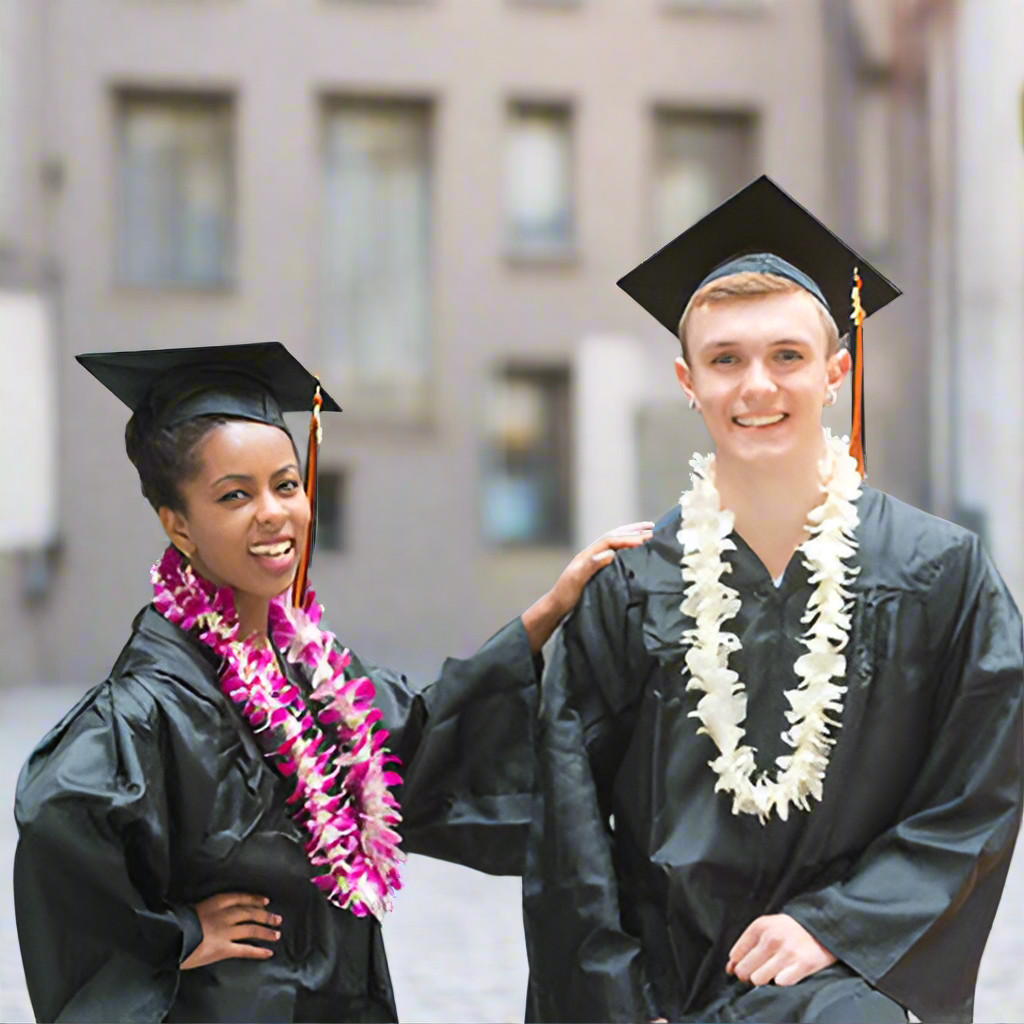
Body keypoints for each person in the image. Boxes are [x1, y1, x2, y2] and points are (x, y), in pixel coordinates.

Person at [13, 341, 653, 1024]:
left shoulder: (314, 670)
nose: (273, 513)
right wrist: (178, 934)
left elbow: (423, 733)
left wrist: (549, 610)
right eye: (235, 495)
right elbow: (63, 832)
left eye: (286, 485)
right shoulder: (149, 706)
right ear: (179, 526)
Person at [522, 176, 1024, 1024]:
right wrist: (612, 1000)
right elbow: (568, 829)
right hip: (660, 989)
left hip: (837, 987)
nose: (757, 385)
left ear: (836, 372)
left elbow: (980, 788)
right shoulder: (632, 583)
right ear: (689, 380)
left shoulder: (941, 573)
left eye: (786, 355)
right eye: (726, 360)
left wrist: (840, 925)